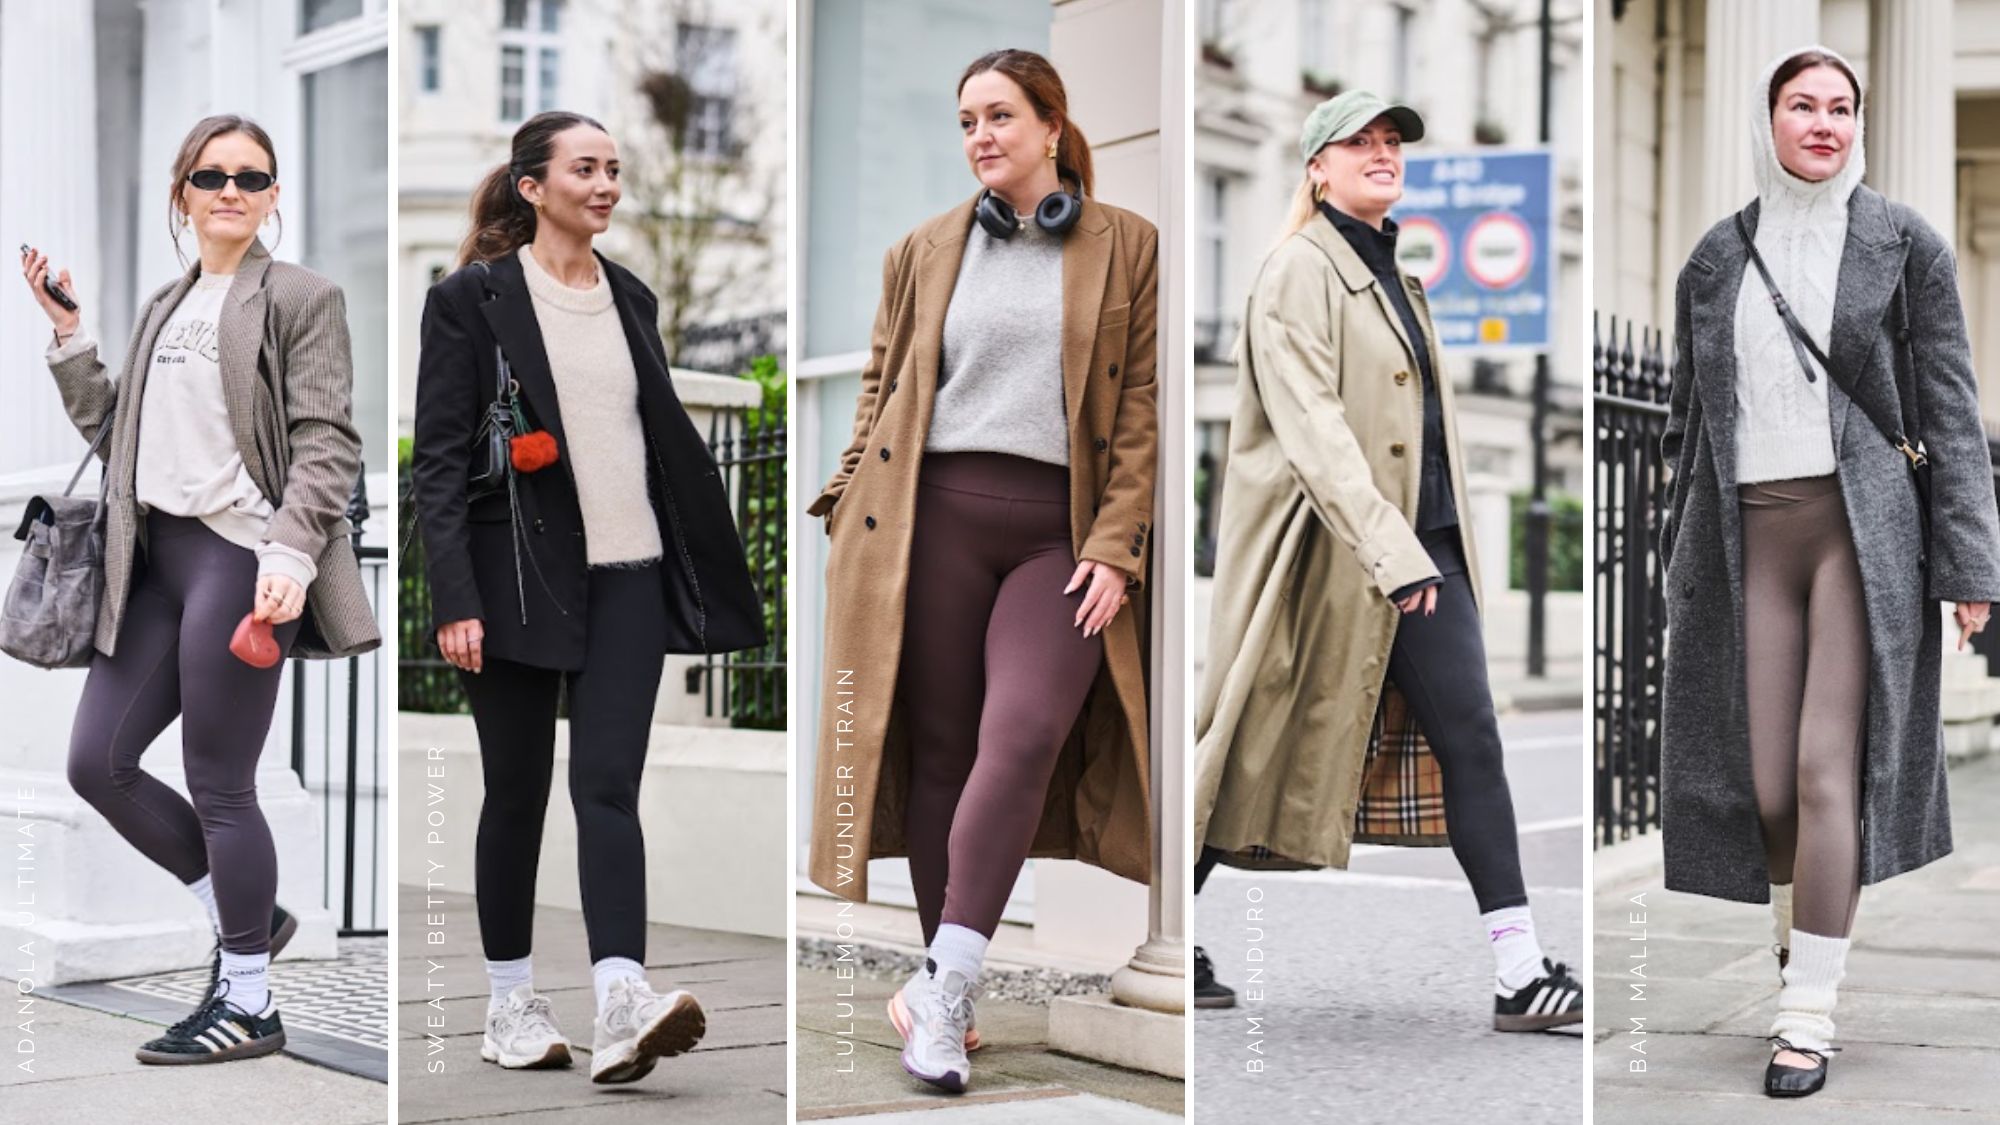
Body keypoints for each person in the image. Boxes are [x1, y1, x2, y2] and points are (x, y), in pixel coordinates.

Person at [802, 48, 1160, 1094]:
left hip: (1058, 531)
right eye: (965, 121)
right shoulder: (923, 248)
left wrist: (1116, 541)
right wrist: (839, 500)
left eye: (999, 116)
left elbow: (1135, 409)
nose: (980, 137)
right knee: (942, 755)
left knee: (1024, 733)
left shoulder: (1123, 246)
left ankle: (942, 983)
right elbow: (880, 387)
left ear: (1051, 125)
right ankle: (944, 991)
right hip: (928, 524)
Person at [1192, 89, 1582, 1032]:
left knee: (1473, 740)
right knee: (1246, 743)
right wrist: (1392, 551)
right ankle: (1154, 924)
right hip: (1334, 559)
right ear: (1316, 168)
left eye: (1391, 141)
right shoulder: (1297, 270)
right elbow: (1317, 432)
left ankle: (1520, 971)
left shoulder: (1397, 277)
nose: (1381, 152)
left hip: (1422, 547)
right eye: (1357, 142)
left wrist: (1419, 550)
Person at [1658, 45, 2000, 1098]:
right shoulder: (1714, 260)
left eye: (1840, 107)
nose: (1823, 122)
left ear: (1857, 123)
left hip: (1858, 535)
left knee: (1820, 769)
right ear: (1767, 121)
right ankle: (1797, 927)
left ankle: (1804, 1011)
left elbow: (1948, 404)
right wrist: (1668, 559)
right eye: (1801, 105)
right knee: (1761, 784)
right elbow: (1686, 426)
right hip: (1746, 538)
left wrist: (1967, 563)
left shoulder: (1903, 243)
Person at [409, 110, 766, 1084]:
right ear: (532, 187)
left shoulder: (633, 297)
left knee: (607, 787)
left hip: (630, 577)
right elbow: (437, 463)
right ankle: (509, 1004)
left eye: (613, 169)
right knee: (516, 792)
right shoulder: (471, 302)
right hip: (514, 582)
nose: (604, 184)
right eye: (585, 169)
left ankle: (620, 999)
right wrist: (453, 598)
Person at [19, 114, 380, 1064]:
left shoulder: (303, 296)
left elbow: (327, 438)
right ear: (183, 192)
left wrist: (290, 557)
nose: (230, 189)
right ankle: (243, 915)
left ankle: (250, 1000)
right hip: (154, 563)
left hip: (238, 558)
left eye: (250, 176)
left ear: (271, 195)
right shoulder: (163, 304)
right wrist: (70, 334)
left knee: (221, 783)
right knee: (96, 763)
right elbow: (119, 427)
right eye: (212, 175)